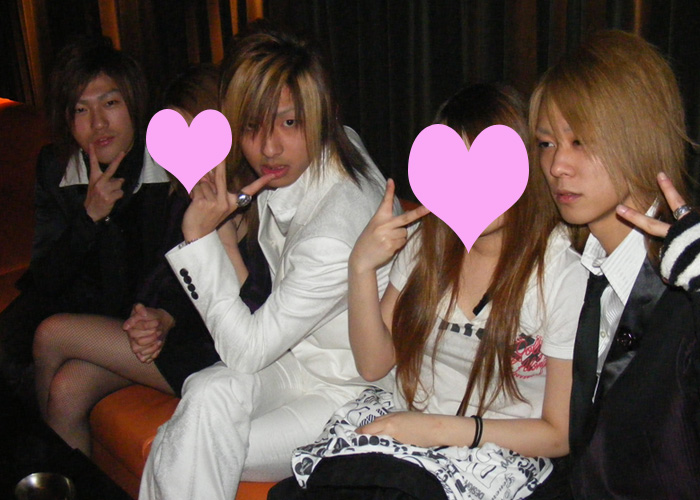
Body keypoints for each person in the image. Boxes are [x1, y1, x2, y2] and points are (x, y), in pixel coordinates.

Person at [278, 83, 589, 500]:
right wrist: (361, 267)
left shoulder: (561, 271)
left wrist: (434, 430)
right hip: (407, 436)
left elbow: (558, 434)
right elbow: (373, 364)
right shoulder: (428, 243)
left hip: (496, 454)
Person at [138, 27, 398, 500]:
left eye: (288, 123)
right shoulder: (340, 144)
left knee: (183, 444)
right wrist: (225, 238)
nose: (269, 148)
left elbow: (247, 352)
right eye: (252, 127)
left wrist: (198, 236)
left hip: (351, 391)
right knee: (204, 394)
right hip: (298, 357)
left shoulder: (332, 235)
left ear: (319, 115)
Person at [30, 64, 272, 456]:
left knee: (50, 333)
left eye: (110, 103)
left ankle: (39, 469)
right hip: (179, 333)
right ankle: (66, 477)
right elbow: (165, 270)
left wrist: (221, 236)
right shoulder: (187, 186)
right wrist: (154, 315)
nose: (188, 152)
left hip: (216, 351)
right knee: (68, 390)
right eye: (81, 110)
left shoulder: (248, 195)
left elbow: (256, 307)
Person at [532, 30, 700, 498]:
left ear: (640, 137)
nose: (558, 166)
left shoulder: (687, 283)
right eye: (546, 143)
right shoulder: (581, 262)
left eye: (581, 141)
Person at [0, 37, 170, 407]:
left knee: (57, 363)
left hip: (144, 315)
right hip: (72, 301)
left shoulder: (169, 161)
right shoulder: (55, 165)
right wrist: (88, 218)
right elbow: (45, 277)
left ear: (134, 104)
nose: (98, 123)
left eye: (110, 103)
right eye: (81, 109)